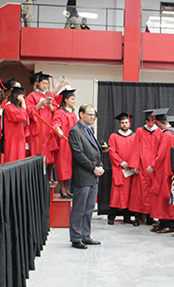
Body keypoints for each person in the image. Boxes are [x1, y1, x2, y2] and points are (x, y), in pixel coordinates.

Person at [68, 104, 103, 249]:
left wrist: (99, 165)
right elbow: (79, 155)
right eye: (90, 114)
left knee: (89, 208)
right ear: (81, 114)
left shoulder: (90, 130)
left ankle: (85, 235)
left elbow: (95, 151)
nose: (93, 117)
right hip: (83, 176)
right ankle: (76, 238)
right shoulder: (75, 131)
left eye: (94, 114)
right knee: (79, 208)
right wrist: (93, 168)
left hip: (93, 176)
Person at [147, 108, 174, 234]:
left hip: (164, 170)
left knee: (163, 198)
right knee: (163, 198)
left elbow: (161, 154)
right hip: (169, 169)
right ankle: (163, 222)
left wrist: (152, 166)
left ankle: (168, 223)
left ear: (158, 123)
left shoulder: (166, 135)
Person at [130, 109, 161, 225]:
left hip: (153, 168)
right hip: (142, 167)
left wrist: (157, 166)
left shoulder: (159, 132)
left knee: (152, 193)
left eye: (152, 121)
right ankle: (137, 217)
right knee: (139, 193)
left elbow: (160, 151)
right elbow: (135, 148)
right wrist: (135, 164)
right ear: (145, 120)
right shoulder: (139, 131)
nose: (150, 123)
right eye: (148, 121)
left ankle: (150, 217)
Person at [26, 73, 58, 177]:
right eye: (43, 83)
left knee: (49, 155)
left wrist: (49, 104)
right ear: (38, 83)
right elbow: (29, 111)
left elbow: (55, 109)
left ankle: (48, 177)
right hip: (37, 127)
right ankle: (37, 177)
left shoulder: (50, 95)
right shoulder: (32, 95)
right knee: (38, 153)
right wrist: (40, 104)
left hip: (48, 127)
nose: (45, 86)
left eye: (47, 84)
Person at [107, 112, 137, 225]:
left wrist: (132, 164)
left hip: (130, 170)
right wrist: (121, 163)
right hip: (119, 169)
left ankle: (127, 217)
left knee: (129, 194)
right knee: (116, 194)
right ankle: (111, 217)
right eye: (122, 123)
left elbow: (137, 151)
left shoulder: (134, 136)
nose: (124, 124)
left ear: (129, 123)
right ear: (119, 124)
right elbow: (112, 152)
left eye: (126, 122)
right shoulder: (114, 136)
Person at [52, 89, 78, 198]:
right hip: (63, 143)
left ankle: (67, 189)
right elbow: (55, 123)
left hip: (71, 144)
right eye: (72, 99)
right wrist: (58, 129)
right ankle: (62, 189)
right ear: (66, 100)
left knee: (69, 167)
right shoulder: (59, 112)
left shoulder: (72, 113)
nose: (74, 101)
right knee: (62, 167)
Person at [3, 87, 29, 163]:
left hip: (19, 137)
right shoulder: (9, 107)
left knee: (20, 159)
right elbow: (21, 117)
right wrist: (23, 103)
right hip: (12, 138)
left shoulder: (17, 108)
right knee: (12, 159)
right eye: (21, 97)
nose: (22, 99)